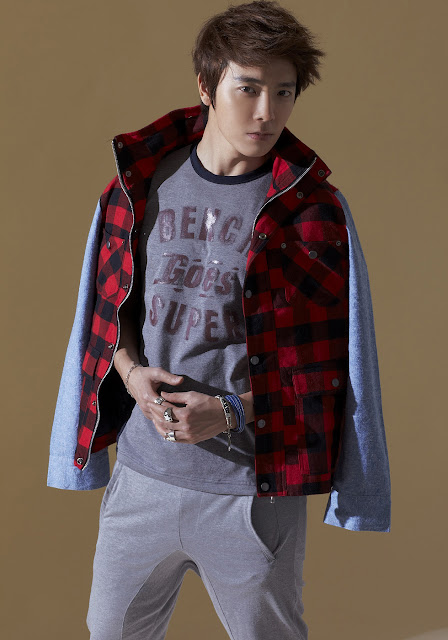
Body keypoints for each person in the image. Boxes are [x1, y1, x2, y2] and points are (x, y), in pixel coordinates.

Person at [47, 1, 391, 638]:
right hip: (142, 480)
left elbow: (327, 371)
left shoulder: (311, 213)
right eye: (248, 89)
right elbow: (108, 309)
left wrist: (230, 411)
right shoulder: (140, 184)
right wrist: (130, 373)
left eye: (284, 92)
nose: (267, 112)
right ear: (206, 87)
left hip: (252, 493)